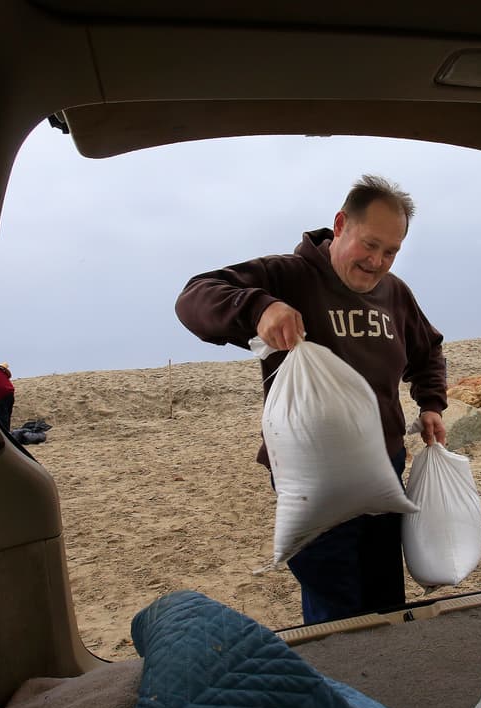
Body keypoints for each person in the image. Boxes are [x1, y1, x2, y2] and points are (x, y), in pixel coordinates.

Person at [175, 175, 448, 625]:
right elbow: (194, 298)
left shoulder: (395, 293)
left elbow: (428, 349)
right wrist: (259, 308)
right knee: (336, 612)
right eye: (370, 244)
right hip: (314, 476)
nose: (378, 261)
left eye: (392, 251)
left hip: (384, 470)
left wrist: (431, 403)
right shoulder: (287, 276)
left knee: (385, 599)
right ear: (341, 224)